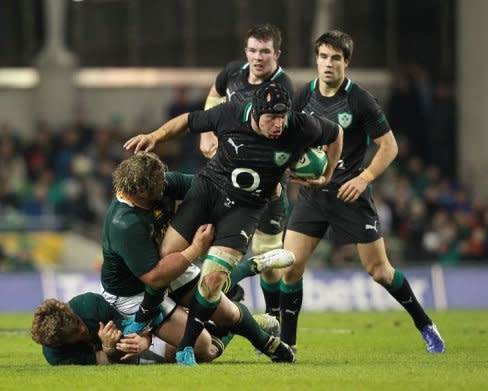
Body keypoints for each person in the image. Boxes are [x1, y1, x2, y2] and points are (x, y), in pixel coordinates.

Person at [124, 81, 343, 365]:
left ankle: (186, 346)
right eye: (272, 118)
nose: (279, 124)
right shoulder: (230, 114)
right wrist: (157, 136)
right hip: (208, 192)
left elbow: (336, 133)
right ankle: (143, 317)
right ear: (255, 112)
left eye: (283, 116)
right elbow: (188, 121)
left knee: (212, 280)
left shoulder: (301, 127)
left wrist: (327, 173)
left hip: (245, 209)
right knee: (166, 258)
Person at [279, 30, 445, 354]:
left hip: (349, 194)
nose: (328, 64)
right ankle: (287, 343)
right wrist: (292, 168)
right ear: (316, 59)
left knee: (379, 272)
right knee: (290, 268)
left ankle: (425, 324)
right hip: (314, 195)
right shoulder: (302, 97)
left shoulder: (360, 100)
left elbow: (390, 147)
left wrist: (364, 178)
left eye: (336, 58)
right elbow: (290, 139)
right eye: (323, 57)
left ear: (346, 62)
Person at [101, 151, 296, 365]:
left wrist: (260, 188)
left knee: (228, 312)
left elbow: (211, 188)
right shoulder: (124, 223)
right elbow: (155, 278)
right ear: (140, 191)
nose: (165, 183)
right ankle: (229, 314)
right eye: (159, 183)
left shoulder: (161, 183)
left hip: (170, 263)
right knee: (204, 347)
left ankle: (268, 344)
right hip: (133, 291)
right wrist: (195, 248)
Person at [200, 23, 295, 318]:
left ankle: (272, 314)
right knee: (210, 239)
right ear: (246, 51)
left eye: (265, 51)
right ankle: (221, 299)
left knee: (267, 256)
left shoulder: (283, 88)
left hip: (264, 185)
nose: (258, 57)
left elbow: (284, 136)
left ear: (276, 54)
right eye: (253, 50)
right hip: (224, 179)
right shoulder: (232, 73)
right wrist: (207, 133)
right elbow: (215, 93)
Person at [31, 292, 220, 365]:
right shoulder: (55, 355)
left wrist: (144, 341)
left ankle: (224, 318)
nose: (82, 331)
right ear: (61, 343)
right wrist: (108, 349)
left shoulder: (89, 305)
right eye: (75, 335)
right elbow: (106, 361)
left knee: (201, 346)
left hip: (144, 323)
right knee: (204, 353)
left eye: (79, 324)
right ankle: (225, 333)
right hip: (123, 354)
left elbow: (140, 324)